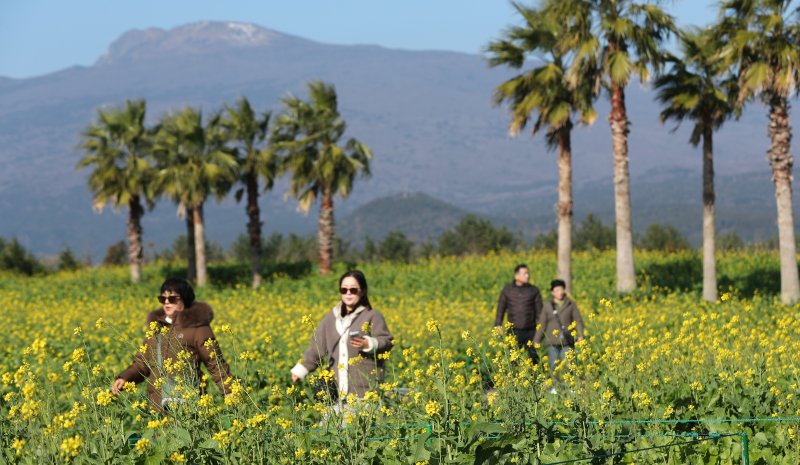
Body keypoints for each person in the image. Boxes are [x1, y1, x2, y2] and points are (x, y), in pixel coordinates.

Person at [112, 277, 232, 412]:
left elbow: (215, 363)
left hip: (188, 407)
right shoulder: (156, 328)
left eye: (172, 298)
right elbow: (142, 362)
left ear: (184, 300)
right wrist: (125, 378)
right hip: (158, 407)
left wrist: (230, 392)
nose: (167, 302)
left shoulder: (198, 327)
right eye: (163, 299)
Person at [291, 270, 393, 401]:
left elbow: (387, 341)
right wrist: (301, 369)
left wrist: (368, 343)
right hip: (335, 392)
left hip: (366, 393)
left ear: (362, 291)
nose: (348, 293)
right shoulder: (330, 318)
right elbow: (317, 348)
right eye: (344, 290)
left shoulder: (372, 316)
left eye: (353, 290)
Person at [494, 264, 543, 363]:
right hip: (513, 331)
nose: (527, 276)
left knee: (533, 359)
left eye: (528, 273)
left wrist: (542, 328)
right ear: (516, 275)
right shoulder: (507, 290)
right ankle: (515, 377)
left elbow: (540, 311)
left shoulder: (533, 290)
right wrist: (498, 324)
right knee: (513, 359)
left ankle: (535, 377)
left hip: (531, 331)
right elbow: (501, 308)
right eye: (524, 273)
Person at [534, 279, 584, 373]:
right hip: (552, 342)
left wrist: (580, 335)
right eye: (556, 290)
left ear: (564, 290)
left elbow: (578, 320)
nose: (559, 292)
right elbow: (542, 324)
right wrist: (537, 340)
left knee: (568, 365)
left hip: (567, 340)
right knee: (554, 366)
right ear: (552, 292)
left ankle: (569, 386)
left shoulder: (571, 304)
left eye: (561, 289)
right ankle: (556, 387)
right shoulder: (547, 306)